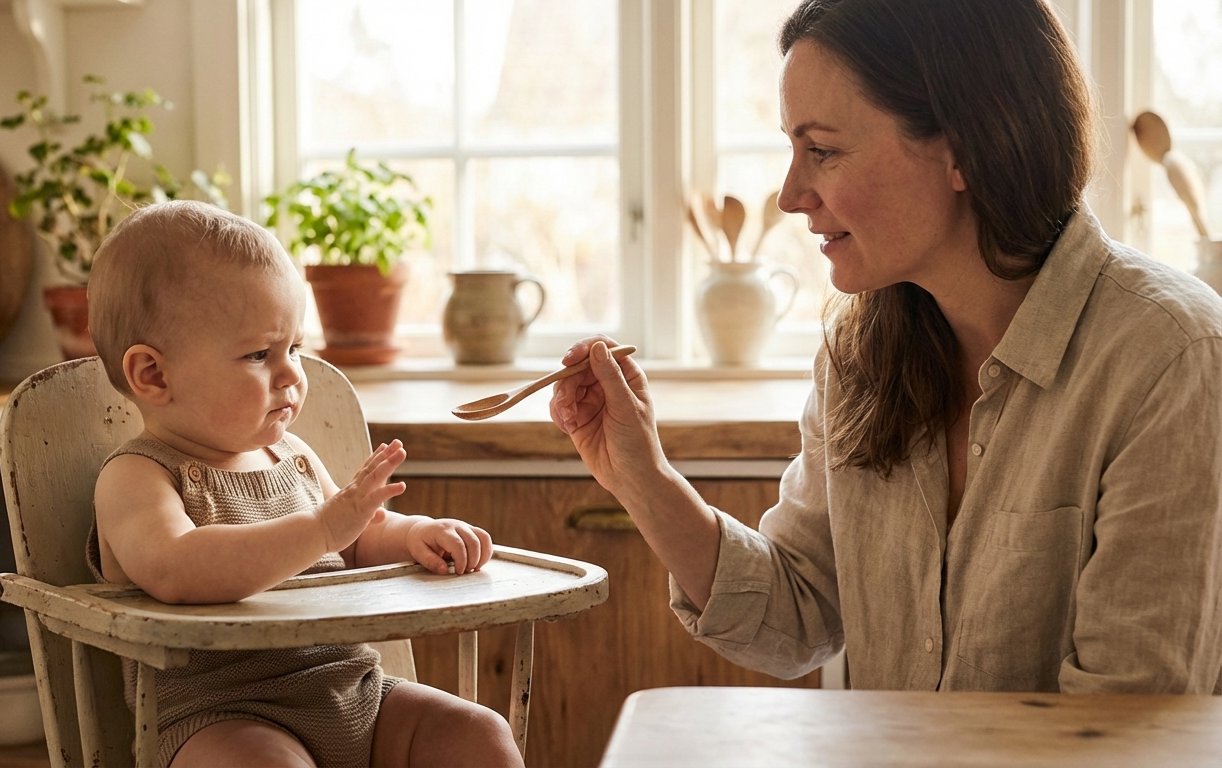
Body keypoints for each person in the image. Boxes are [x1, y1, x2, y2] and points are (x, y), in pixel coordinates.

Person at [550, 0, 1222, 694]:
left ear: (964, 147)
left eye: (824, 151)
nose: (789, 195)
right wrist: (641, 476)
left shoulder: (1172, 359)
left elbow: (1130, 727)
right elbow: (797, 613)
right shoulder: (860, 354)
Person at [86, 200, 523, 767]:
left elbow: (361, 536)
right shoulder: (138, 477)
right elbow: (177, 569)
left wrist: (415, 533)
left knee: (479, 734)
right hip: (224, 716)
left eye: (294, 348)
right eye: (258, 354)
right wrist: (321, 527)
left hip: (354, 693)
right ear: (154, 375)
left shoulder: (290, 457)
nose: (293, 373)